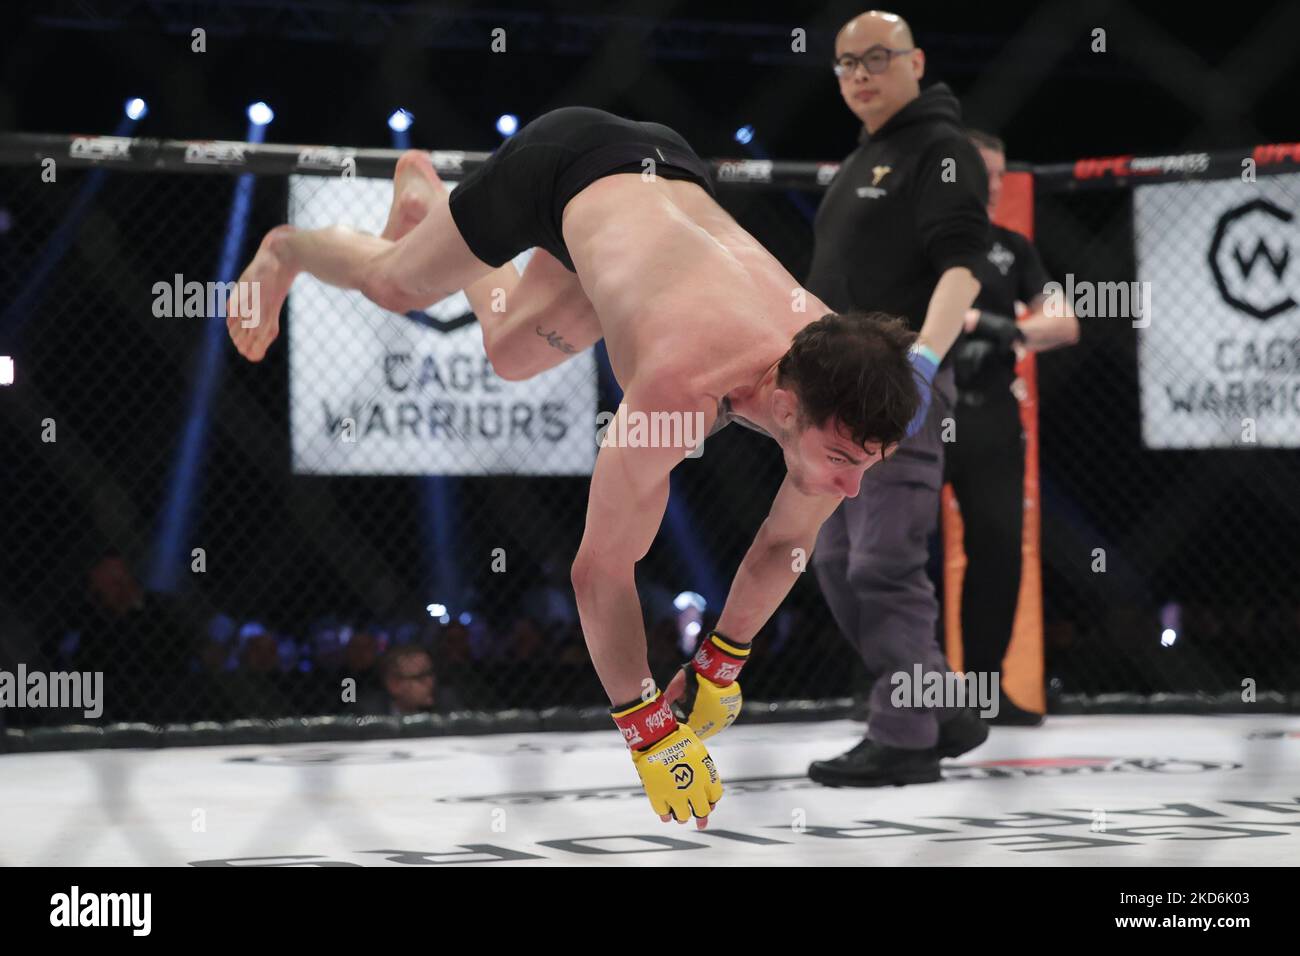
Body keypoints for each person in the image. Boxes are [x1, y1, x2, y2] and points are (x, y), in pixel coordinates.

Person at [227, 106, 943, 827]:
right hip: (559, 166)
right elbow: (601, 567)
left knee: (509, 352)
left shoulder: (845, 381)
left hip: (667, 185)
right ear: (786, 407)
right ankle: (287, 247)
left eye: (869, 463)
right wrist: (648, 730)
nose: (855, 486)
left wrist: (723, 661)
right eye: (847, 461)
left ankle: (428, 206)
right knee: (394, 285)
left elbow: (786, 542)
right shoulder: (678, 389)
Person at [803, 10, 992, 787]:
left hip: (895, 380)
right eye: (845, 64)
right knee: (836, 558)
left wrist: (918, 363)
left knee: (882, 560)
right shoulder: (863, 159)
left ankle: (908, 737)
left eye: (876, 58)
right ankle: (939, 704)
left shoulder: (942, 149)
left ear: (916, 60)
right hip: (837, 386)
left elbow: (963, 267)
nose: (859, 75)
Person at [946, 129, 1079, 725]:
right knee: (889, 552)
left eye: (1001, 177)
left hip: (992, 413)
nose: (994, 187)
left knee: (999, 548)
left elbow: (1065, 321)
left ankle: (981, 692)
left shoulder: (1013, 247)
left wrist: (1001, 330)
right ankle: (892, 689)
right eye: (984, 175)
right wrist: (977, 320)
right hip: (920, 409)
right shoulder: (915, 242)